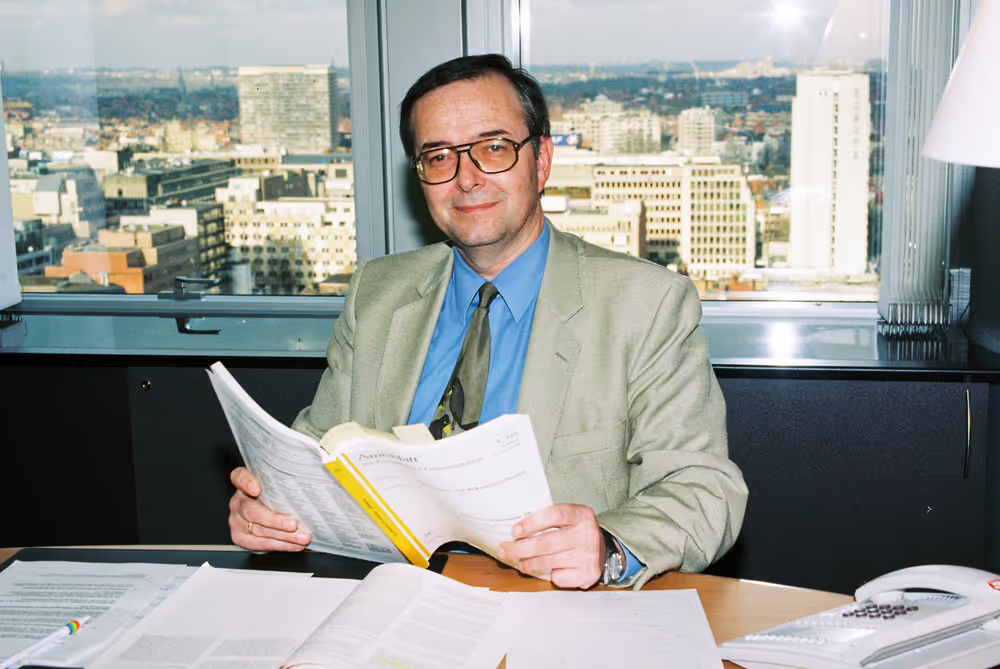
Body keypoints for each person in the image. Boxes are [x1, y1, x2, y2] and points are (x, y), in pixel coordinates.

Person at [228, 54, 747, 590]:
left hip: (556, 615)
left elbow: (704, 489)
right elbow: (320, 452)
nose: (466, 179)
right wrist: (273, 506)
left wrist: (610, 547)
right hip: (392, 605)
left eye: (493, 148)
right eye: (438, 157)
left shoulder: (645, 302)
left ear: (541, 161)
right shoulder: (377, 293)